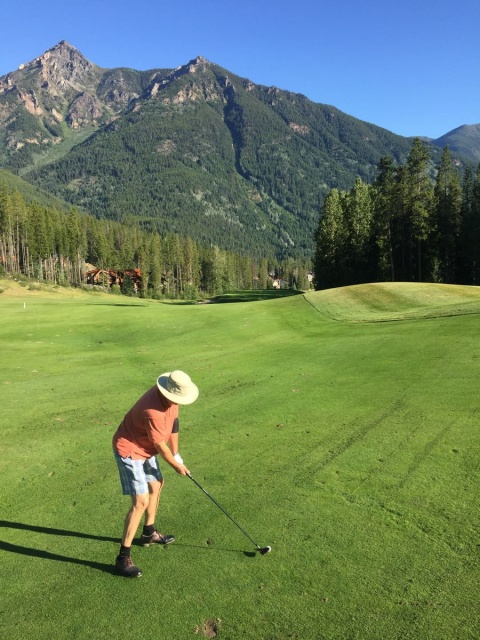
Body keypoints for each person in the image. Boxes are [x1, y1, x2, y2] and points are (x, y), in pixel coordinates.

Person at [112, 370, 199, 577]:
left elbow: (174, 426)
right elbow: (160, 445)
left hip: (146, 447)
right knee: (140, 502)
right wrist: (176, 466)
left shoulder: (171, 398)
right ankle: (123, 558)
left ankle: (148, 533)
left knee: (157, 483)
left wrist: (177, 454)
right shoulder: (153, 411)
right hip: (130, 449)